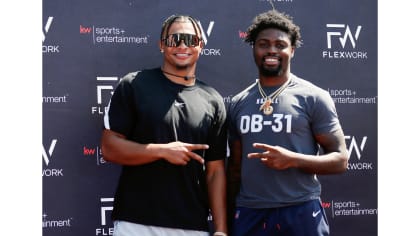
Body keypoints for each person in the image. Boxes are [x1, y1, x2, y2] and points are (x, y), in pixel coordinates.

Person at [101, 14, 228, 236]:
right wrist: (161, 151)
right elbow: (109, 147)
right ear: (162, 44)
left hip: (192, 225)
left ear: (200, 45)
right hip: (136, 223)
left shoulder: (213, 100)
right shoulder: (134, 84)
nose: (182, 45)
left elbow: (215, 171)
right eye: (174, 39)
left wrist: (221, 229)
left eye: (190, 40)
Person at [226, 10, 349, 236]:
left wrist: (292, 160)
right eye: (263, 44)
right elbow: (234, 169)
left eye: (280, 45)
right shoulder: (237, 102)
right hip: (250, 211)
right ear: (254, 48)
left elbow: (340, 160)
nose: (272, 50)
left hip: (301, 210)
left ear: (291, 50)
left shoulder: (314, 97)